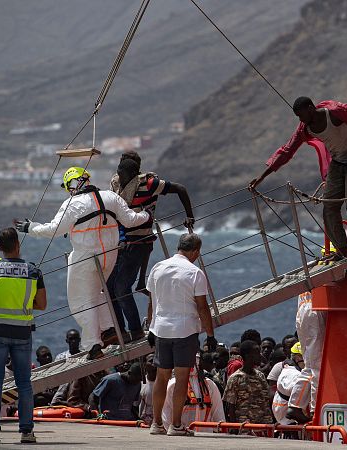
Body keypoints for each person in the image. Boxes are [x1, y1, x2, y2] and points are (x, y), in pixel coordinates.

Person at [16, 167, 151, 359]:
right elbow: (131, 220)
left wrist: (31, 227)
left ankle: (92, 345)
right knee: (99, 292)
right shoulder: (111, 197)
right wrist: (147, 214)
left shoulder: (73, 204)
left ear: (72, 183)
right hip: (109, 256)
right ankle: (108, 330)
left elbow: (53, 230)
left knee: (81, 301)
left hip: (86, 258)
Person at [249, 97, 347, 262]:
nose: (300, 120)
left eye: (301, 115)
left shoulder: (335, 112)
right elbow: (287, 151)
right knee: (329, 206)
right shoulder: (305, 129)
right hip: (338, 164)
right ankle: (343, 251)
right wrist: (262, 177)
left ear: (310, 108)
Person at [108, 153, 195, 343]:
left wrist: (189, 215)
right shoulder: (115, 184)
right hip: (119, 242)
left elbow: (180, 188)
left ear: (133, 172)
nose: (119, 177)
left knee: (122, 287)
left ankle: (135, 330)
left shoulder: (149, 184)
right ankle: (119, 331)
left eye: (123, 173)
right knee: (109, 286)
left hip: (138, 241)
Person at [0, 228, 46, 444]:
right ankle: (26, 431)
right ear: (18, 245)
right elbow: (42, 304)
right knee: (24, 382)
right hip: (22, 332)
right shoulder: (33, 271)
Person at [145, 233, 217, 437]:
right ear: (195, 251)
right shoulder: (195, 273)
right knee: (181, 378)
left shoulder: (158, 267)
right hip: (185, 331)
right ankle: (175, 425)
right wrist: (210, 335)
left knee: (162, 377)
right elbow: (202, 307)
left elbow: (152, 302)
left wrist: (150, 327)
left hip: (161, 329)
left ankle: (156, 423)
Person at [288, 291, 326, 422]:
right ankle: (316, 410)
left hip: (303, 308)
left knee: (309, 365)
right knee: (317, 366)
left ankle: (295, 404)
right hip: (314, 307)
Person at [162, 361, 224, 432]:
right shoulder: (173, 385)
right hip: (181, 436)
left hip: (206, 437)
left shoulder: (209, 385)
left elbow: (218, 414)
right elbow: (166, 416)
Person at [222, 340, 272, 425]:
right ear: (247, 355)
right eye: (256, 353)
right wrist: (234, 427)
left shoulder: (260, 376)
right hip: (245, 428)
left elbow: (267, 400)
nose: (260, 356)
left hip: (264, 427)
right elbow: (230, 406)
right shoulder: (235, 378)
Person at [273, 342, 305, 424]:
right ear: (298, 358)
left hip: (283, 416)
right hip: (288, 419)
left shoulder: (289, 370)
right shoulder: (294, 374)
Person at [139, 354, 157, 424]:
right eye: (151, 361)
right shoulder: (140, 382)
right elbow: (136, 404)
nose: (154, 363)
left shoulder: (164, 382)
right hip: (143, 422)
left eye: (156, 361)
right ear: (144, 365)